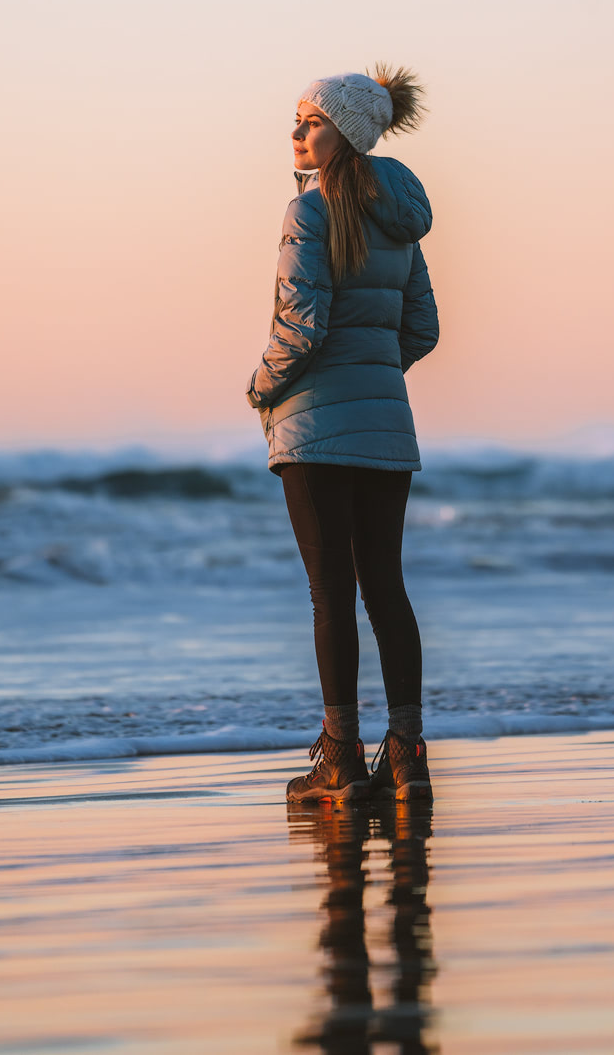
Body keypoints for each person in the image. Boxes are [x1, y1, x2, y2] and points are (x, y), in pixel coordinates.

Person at [246, 66, 439, 804]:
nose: (296, 134)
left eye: (310, 121)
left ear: (346, 133)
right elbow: (422, 327)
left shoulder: (309, 214)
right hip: (387, 429)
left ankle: (342, 757)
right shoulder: (401, 222)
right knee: (386, 585)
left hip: (317, 430)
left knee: (332, 593)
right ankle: (409, 753)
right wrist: (378, 377)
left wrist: (261, 388)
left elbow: (301, 328)